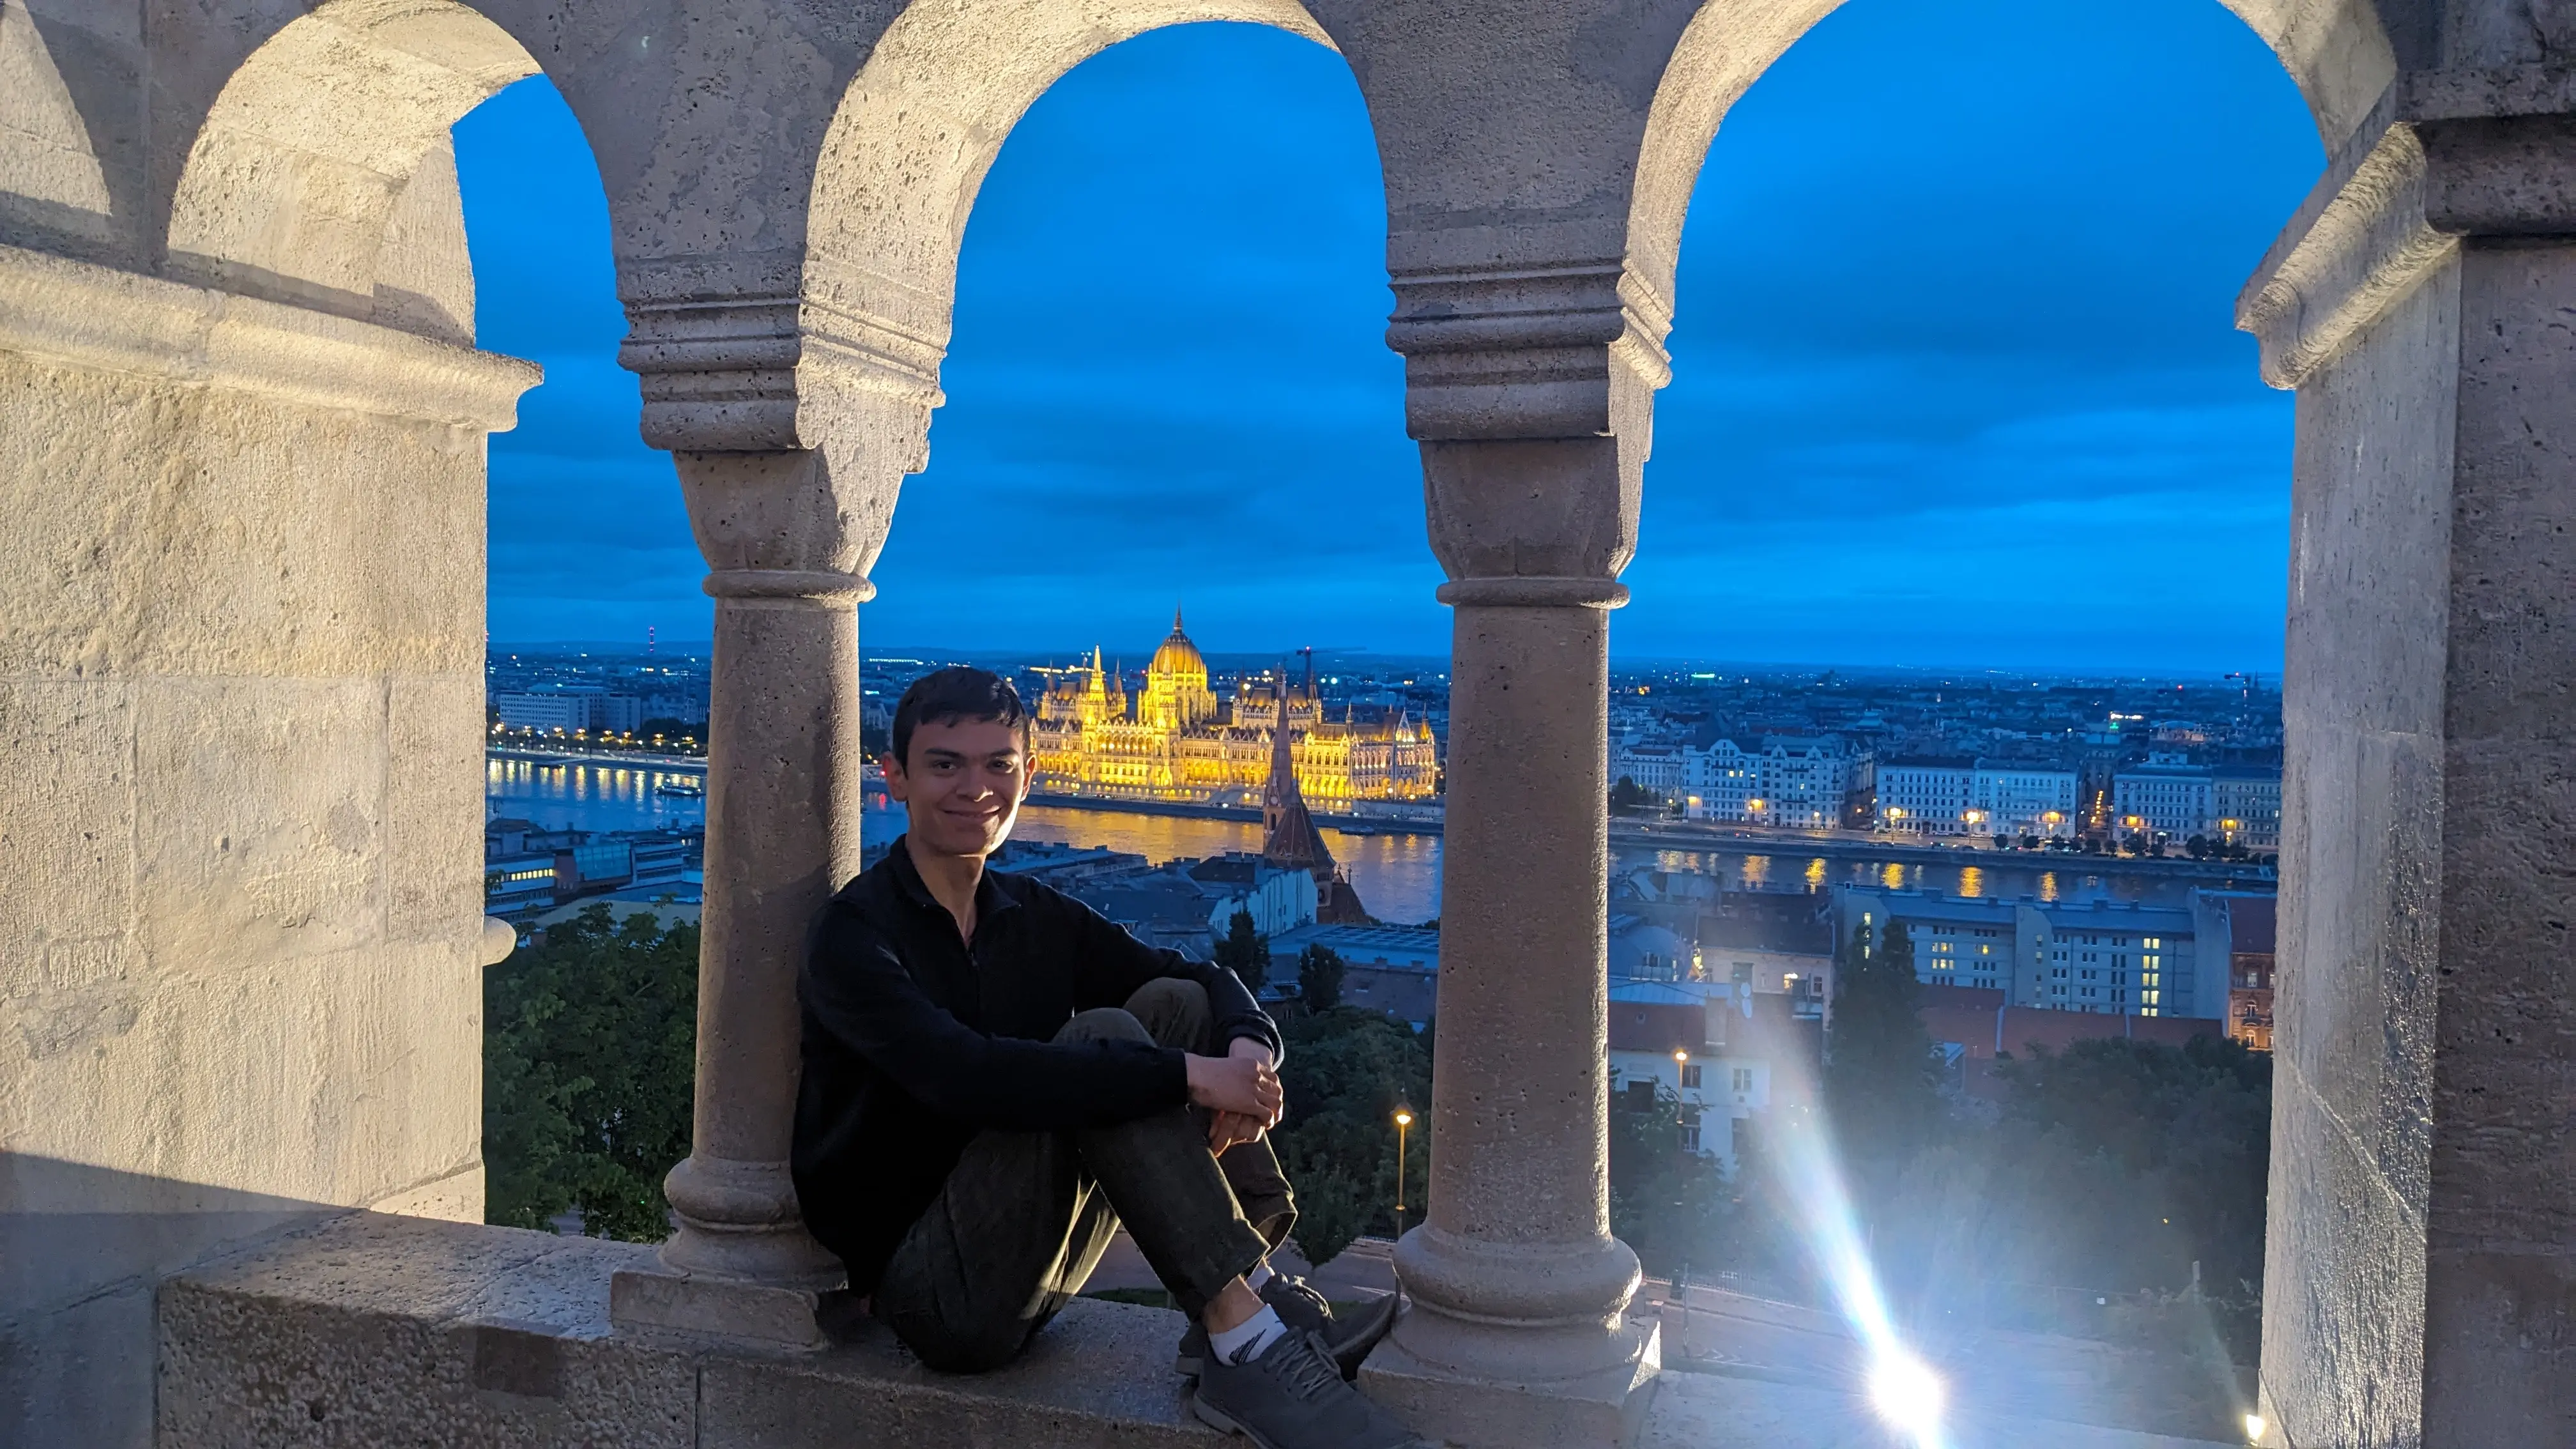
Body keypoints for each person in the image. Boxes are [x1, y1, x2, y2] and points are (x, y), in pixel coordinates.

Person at [793, 666, 1420, 1449]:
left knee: (1175, 1009)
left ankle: (1253, 1288)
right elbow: (967, 1077)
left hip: (1034, 1256)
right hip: (937, 1298)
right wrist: (1194, 1076)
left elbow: (1201, 980)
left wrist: (1250, 1049)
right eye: (945, 764)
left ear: (1031, 772)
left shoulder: (1030, 912)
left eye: (998, 764)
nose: (975, 788)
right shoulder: (854, 935)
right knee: (1103, 1044)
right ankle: (1245, 1341)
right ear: (894, 777)